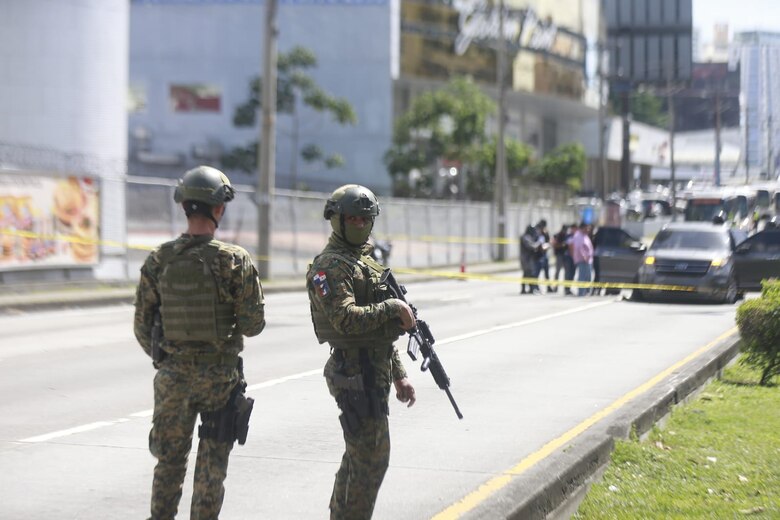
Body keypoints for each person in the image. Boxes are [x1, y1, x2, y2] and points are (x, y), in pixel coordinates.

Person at [134, 165, 266, 520]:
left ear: (184, 206)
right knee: (211, 468)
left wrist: (171, 358)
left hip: (172, 381)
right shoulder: (234, 260)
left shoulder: (159, 259)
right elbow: (254, 325)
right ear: (219, 208)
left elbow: (143, 327)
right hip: (220, 380)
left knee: (169, 464)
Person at [306, 184, 417, 520]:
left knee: (358, 457)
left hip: (374, 370)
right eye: (351, 218)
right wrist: (393, 306)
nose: (359, 224)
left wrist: (400, 375)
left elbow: (378, 334)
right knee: (371, 461)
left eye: (364, 218)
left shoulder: (364, 262)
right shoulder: (329, 266)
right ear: (336, 220)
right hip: (353, 374)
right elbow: (345, 319)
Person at [570, 221, 594, 297]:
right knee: (582, 276)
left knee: (588, 276)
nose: (589, 230)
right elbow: (578, 247)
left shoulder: (585, 235)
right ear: (583, 228)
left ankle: (586, 291)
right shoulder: (578, 236)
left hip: (588, 260)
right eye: (587, 228)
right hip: (583, 260)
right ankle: (581, 292)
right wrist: (584, 256)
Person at [551, 224, 574, 295]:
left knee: (567, 273)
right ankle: (555, 286)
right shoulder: (558, 235)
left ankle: (566, 288)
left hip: (566, 256)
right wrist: (562, 245)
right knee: (557, 272)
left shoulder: (568, 236)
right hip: (559, 255)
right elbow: (554, 245)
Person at [519, 225, 540, 294]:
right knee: (528, 274)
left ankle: (528, 289)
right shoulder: (525, 237)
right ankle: (528, 288)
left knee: (527, 274)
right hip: (526, 259)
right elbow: (531, 246)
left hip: (528, 258)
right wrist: (538, 244)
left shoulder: (529, 236)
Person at [534, 219, 551, 292]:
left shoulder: (545, 233)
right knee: (536, 273)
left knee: (546, 273)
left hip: (544, 255)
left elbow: (548, 241)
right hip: (538, 256)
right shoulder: (536, 233)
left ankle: (548, 287)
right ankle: (535, 287)